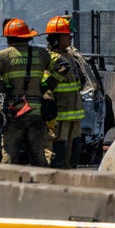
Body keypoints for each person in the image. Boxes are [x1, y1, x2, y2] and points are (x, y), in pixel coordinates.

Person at [0, 17, 63, 167]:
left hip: (14, 114)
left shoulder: (3, 56)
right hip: (36, 113)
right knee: (39, 156)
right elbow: (63, 65)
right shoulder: (41, 53)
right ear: (28, 36)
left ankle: (9, 185)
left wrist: (2, 87)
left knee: (10, 157)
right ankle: (42, 186)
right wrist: (46, 85)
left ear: (8, 38)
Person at [45, 15, 87, 168]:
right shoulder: (50, 59)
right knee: (58, 157)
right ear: (56, 38)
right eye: (66, 36)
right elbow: (46, 86)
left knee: (73, 157)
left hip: (74, 117)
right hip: (59, 118)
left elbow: (79, 82)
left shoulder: (70, 57)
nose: (70, 38)